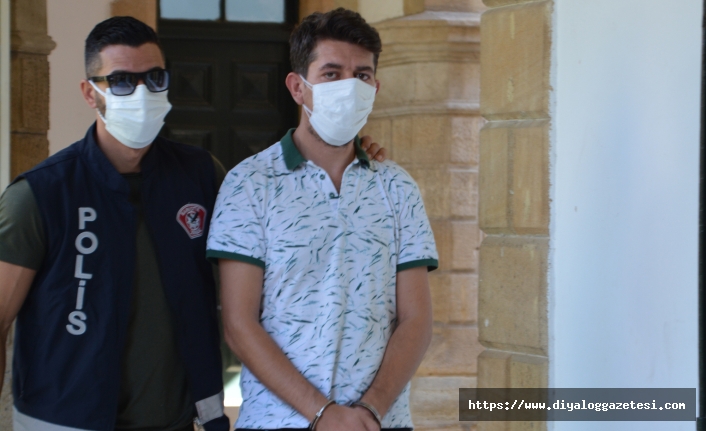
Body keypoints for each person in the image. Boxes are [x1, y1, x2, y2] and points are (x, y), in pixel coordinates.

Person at [0, 16, 388, 431]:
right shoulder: (40, 195)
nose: (142, 93)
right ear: (89, 93)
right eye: (122, 81)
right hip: (64, 421)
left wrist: (348, 158)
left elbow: (280, 230)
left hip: (178, 421)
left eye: (155, 78)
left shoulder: (200, 176)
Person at [208, 8, 439, 431]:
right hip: (277, 423)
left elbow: (417, 320)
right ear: (298, 87)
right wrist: (323, 413)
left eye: (362, 75)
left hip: (379, 422)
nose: (349, 87)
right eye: (331, 74)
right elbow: (239, 325)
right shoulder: (249, 185)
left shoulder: (397, 187)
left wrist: (369, 410)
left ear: (375, 87)